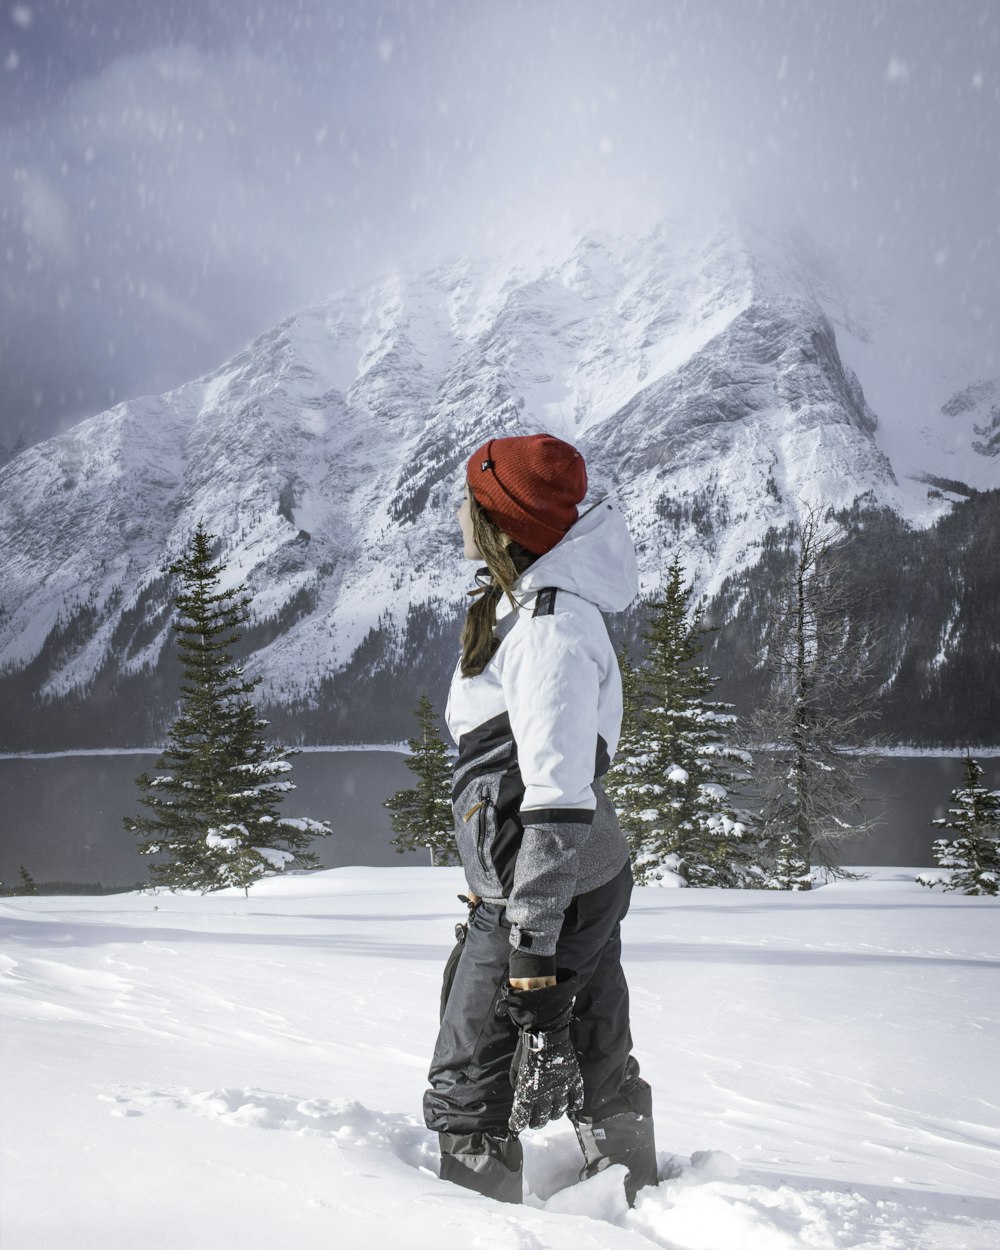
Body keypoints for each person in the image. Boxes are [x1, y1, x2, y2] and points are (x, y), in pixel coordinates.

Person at [423, 432, 658, 1206]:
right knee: (595, 1045)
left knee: (471, 1080)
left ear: (499, 521)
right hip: (568, 879)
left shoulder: (551, 627)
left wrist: (529, 944)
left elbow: (554, 804)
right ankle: (634, 1195)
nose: (457, 510)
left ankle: (479, 1222)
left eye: (469, 498)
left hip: (548, 887)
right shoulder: (526, 607)